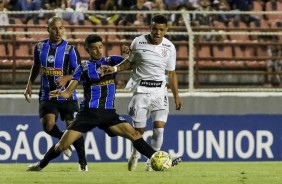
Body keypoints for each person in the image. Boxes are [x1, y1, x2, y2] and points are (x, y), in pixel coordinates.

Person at [26, 34, 182, 171]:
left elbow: (132, 64)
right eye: (94, 48)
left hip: (108, 114)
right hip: (88, 114)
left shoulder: (112, 60)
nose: (98, 51)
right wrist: (62, 93)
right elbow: (69, 91)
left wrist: (130, 55)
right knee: (62, 145)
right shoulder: (84, 67)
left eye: (100, 47)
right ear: (87, 50)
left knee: (134, 134)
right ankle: (40, 165)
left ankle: (157, 158)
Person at [101, 14, 182, 171]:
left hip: (160, 91)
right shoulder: (138, 42)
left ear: (166, 30)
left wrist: (176, 96)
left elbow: (171, 73)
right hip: (141, 92)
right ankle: (135, 154)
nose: (157, 33)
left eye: (161, 30)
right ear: (149, 27)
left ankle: (151, 163)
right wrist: (115, 68)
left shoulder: (170, 47)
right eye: (155, 29)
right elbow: (129, 63)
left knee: (159, 128)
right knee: (139, 132)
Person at [23, 16, 88, 171]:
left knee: (73, 128)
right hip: (47, 94)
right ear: (48, 29)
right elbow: (36, 66)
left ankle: (83, 163)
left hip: (67, 95)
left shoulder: (70, 49)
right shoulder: (39, 47)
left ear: (64, 29)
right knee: (48, 125)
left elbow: (80, 72)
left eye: (60, 28)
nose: (58, 31)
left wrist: (67, 77)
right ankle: (63, 141)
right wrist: (29, 84)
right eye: (54, 28)